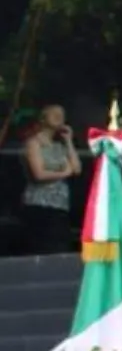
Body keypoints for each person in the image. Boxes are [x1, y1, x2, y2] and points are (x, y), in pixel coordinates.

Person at [19, 102, 78, 253]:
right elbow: (39, 174)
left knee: (59, 246)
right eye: (55, 114)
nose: (60, 117)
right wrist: (64, 173)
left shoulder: (59, 145)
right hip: (39, 204)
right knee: (41, 247)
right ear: (44, 118)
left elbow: (76, 168)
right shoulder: (34, 143)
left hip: (60, 204)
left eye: (62, 115)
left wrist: (69, 141)